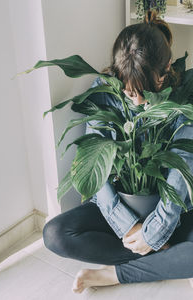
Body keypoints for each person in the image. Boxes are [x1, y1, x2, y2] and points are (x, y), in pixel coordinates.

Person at [42, 10, 193, 293]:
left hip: (173, 208)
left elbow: (181, 171)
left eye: (145, 90)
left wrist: (155, 232)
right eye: (128, 90)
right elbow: (95, 169)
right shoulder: (104, 89)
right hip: (125, 205)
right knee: (55, 234)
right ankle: (170, 259)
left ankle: (113, 274)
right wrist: (130, 228)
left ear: (167, 69)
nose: (135, 99)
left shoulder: (185, 95)